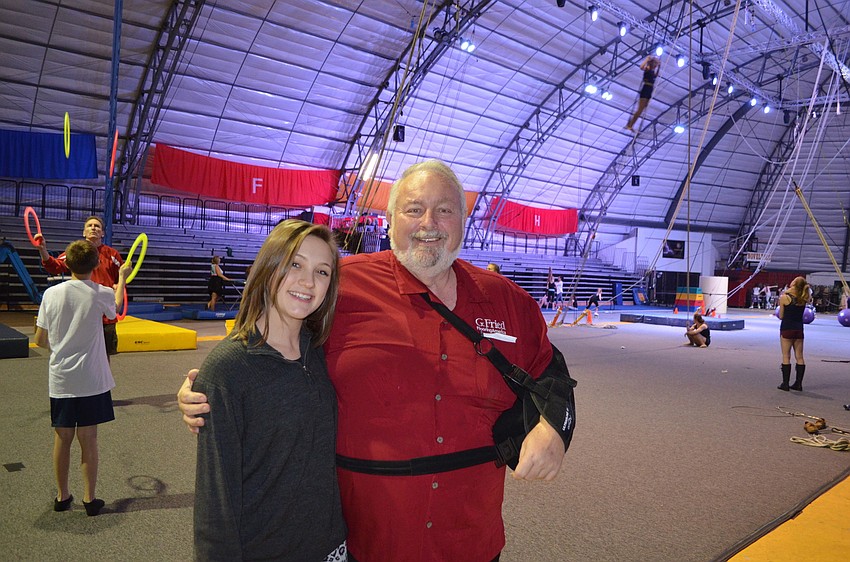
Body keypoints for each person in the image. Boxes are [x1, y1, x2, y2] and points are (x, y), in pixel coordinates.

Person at [179, 159, 572, 562]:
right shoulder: (340, 284)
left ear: (463, 219)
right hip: (365, 544)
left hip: (471, 544)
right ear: (389, 219)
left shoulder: (508, 300)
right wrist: (217, 387)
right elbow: (278, 341)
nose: (429, 223)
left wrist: (556, 430)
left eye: (444, 209)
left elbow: (553, 373)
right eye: (414, 209)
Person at [192, 220, 346, 561]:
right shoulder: (228, 369)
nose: (308, 282)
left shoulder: (321, 353)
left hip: (331, 548)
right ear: (269, 266)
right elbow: (215, 499)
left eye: (322, 272)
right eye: (295, 264)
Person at [34, 240, 130, 516]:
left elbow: (40, 339)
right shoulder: (100, 292)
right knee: (88, 439)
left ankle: (62, 496)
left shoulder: (51, 294)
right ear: (97, 264)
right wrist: (122, 277)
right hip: (91, 378)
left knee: (62, 438)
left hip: (62, 378)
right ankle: (89, 499)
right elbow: (116, 307)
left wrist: (61, 348)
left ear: (67, 263)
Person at [35, 216, 124, 357]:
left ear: (102, 233)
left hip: (105, 315)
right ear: (84, 232)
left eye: (97, 226)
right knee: (80, 352)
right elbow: (54, 266)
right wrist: (43, 250)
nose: (93, 228)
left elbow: (122, 277)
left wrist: (119, 285)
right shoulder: (76, 251)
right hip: (82, 312)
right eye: (90, 225)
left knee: (104, 357)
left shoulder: (112, 255)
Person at [777, 276, 812, 391]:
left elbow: (781, 316)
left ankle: (785, 383)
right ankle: (798, 383)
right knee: (800, 356)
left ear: (794, 284)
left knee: (786, 356)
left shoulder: (785, 297)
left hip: (787, 328)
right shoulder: (804, 297)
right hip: (799, 329)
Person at [625, 55, 660, 132]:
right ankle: (630, 125)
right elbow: (641, 67)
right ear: (652, 63)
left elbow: (656, 76)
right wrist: (647, 59)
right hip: (646, 88)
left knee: (643, 108)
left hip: (650, 89)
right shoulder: (648, 68)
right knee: (640, 110)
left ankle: (630, 124)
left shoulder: (653, 71)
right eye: (655, 64)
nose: (656, 65)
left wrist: (659, 67)